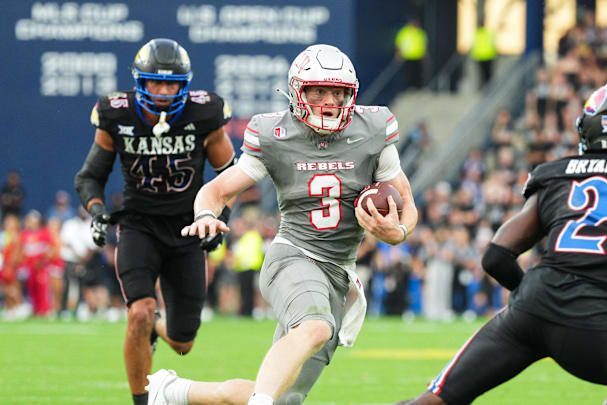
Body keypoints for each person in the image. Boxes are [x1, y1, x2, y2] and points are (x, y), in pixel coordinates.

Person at [395, 81, 607, 405]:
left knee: (433, 401)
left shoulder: (557, 173)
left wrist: (531, 299)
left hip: (528, 310)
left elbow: (495, 256)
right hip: (592, 321)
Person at [146, 44, 418, 405]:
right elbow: (217, 189)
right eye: (318, 90)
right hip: (294, 256)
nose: (328, 100)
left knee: (283, 397)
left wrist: (396, 233)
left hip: (338, 273)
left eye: (337, 92)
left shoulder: (372, 130)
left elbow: (408, 205)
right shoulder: (275, 134)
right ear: (296, 90)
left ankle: (175, 392)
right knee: (315, 327)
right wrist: (205, 215)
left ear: (351, 94)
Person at [74, 38, 236, 405]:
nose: (163, 91)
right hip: (138, 226)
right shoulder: (117, 114)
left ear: (185, 84)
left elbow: (231, 173)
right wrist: (98, 212)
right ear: (140, 82)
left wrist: (218, 216)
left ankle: (155, 325)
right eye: (155, 82)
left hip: (187, 228)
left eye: (172, 83)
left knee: (182, 342)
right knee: (139, 311)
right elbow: (89, 177)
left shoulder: (204, 114)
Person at [395, 17, 428, 90]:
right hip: (408, 56)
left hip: (418, 56)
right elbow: (398, 43)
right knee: (409, 74)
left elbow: (424, 44)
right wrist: (398, 53)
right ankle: (409, 88)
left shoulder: (420, 32)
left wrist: (424, 54)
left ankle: (418, 88)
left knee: (418, 73)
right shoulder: (404, 32)